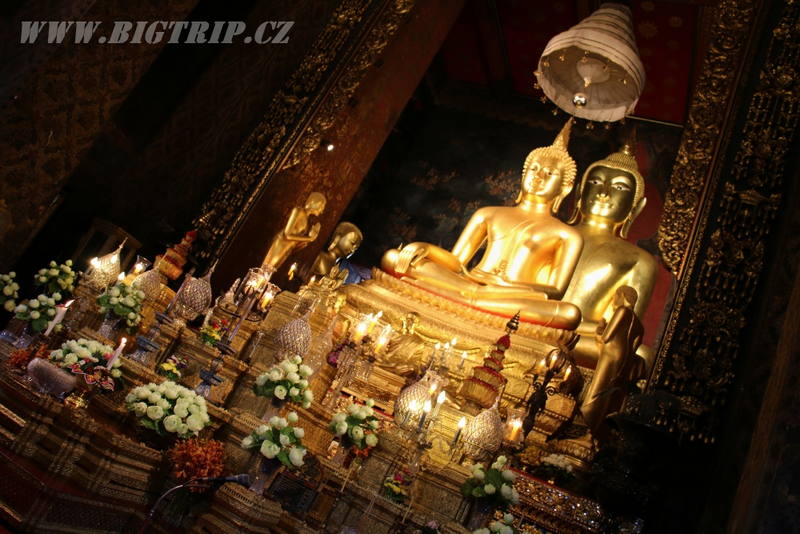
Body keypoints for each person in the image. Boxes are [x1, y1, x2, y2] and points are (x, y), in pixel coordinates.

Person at [381, 120, 583, 330]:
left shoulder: (567, 235)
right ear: (524, 174)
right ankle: (471, 300)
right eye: (534, 169)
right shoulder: (489, 213)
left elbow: (555, 290)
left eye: (549, 174)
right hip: (467, 283)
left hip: (508, 296)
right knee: (394, 258)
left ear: (565, 188)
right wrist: (425, 248)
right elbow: (456, 262)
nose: (538, 177)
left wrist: (506, 286)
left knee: (569, 314)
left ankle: (465, 301)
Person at [562, 142, 657, 366]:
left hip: (582, 339)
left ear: (636, 207)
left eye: (619, 188)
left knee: (642, 357)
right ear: (579, 192)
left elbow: (622, 334)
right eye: (595, 182)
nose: (604, 193)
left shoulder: (639, 260)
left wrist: (601, 331)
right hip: (533, 321)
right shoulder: (552, 232)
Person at [262, 192, 326, 272]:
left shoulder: (306, 221)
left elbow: (296, 243)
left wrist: (307, 240)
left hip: (287, 248)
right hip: (281, 244)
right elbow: (287, 235)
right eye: (321, 206)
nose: (321, 210)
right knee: (265, 269)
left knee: (270, 272)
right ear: (314, 203)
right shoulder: (298, 211)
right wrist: (309, 238)